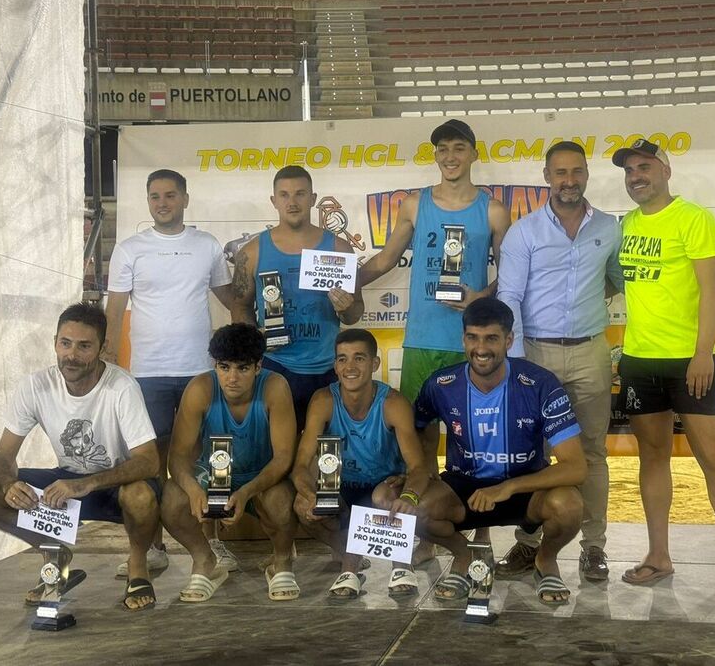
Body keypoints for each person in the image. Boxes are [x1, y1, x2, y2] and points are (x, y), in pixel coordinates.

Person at [612, 138, 715, 593]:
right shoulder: (628, 224)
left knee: (713, 459)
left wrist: (702, 353)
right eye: (630, 170)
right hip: (637, 361)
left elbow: (711, 290)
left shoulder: (694, 219)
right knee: (653, 457)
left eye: (645, 167)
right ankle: (659, 556)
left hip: (689, 362)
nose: (637, 175)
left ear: (665, 171)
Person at [0, 303, 160, 611]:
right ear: (55, 341)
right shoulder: (35, 385)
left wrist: (87, 483)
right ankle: (55, 555)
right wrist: (9, 484)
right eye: (65, 343)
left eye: (84, 346)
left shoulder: (121, 386)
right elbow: (4, 454)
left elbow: (150, 462)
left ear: (102, 347)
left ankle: (138, 567)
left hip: (117, 487)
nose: (71, 355)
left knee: (140, 495)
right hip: (68, 484)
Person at [495, 141, 623, 582]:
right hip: (536, 355)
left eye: (577, 172)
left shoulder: (610, 227)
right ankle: (528, 544)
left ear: (587, 174)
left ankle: (593, 549)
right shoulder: (524, 231)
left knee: (592, 452)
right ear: (547, 177)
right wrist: (515, 363)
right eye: (560, 173)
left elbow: (615, 282)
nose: (569, 181)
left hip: (590, 351)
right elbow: (508, 296)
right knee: (532, 454)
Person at [104, 168, 238, 576]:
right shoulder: (130, 249)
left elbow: (231, 298)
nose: (162, 203)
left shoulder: (206, 245)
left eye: (169, 195)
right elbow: (113, 310)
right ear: (148, 202)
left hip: (200, 370)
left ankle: (213, 541)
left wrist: (251, 321)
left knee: (208, 455)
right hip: (148, 372)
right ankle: (151, 547)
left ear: (184, 198)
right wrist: (109, 360)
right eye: (154, 197)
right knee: (150, 461)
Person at [413, 298, 587, 605]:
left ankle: (545, 560)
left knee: (569, 505)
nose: (481, 349)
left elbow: (576, 467)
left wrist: (508, 487)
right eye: (472, 338)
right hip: (463, 489)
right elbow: (419, 425)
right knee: (416, 510)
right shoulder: (442, 384)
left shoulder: (540, 383)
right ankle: (465, 556)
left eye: (491, 338)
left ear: (509, 340)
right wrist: (424, 471)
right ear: (463, 338)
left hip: (524, 487)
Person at [358, 119, 510, 405]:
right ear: (436, 155)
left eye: (459, 148)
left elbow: (510, 275)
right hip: (421, 339)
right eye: (443, 149)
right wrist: (346, 284)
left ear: (474, 154)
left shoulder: (493, 211)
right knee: (417, 431)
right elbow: (385, 260)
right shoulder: (415, 204)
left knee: (468, 432)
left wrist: (480, 297)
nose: (450, 157)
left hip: (469, 341)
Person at [161, 323, 300, 602]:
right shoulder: (200, 388)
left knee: (282, 500)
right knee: (172, 499)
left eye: (243, 368)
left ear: (259, 367)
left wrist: (247, 490)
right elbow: (177, 456)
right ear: (215, 365)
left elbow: (284, 456)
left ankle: (282, 561)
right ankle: (205, 561)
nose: (232, 377)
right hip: (213, 477)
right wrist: (193, 489)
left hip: (261, 475)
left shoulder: (275, 386)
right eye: (224, 367)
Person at [291, 329, 429, 599]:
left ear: (375, 364)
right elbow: (301, 464)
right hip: (340, 490)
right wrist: (309, 495)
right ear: (335, 365)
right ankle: (348, 558)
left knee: (384, 496)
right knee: (300, 504)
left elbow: (418, 467)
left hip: (382, 488)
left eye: (359, 359)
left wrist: (409, 495)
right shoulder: (323, 400)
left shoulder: (393, 402)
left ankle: (399, 566)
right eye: (342, 359)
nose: (349, 367)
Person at [231, 165, 364, 431]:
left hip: (328, 367)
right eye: (284, 195)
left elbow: (354, 313)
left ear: (313, 199)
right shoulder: (252, 251)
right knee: (278, 452)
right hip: (274, 365)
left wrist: (347, 307)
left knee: (325, 455)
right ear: (274, 201)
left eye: (300, 194)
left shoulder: (338, 247)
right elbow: (240, 305)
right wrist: (254, 339)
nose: (292, 202)